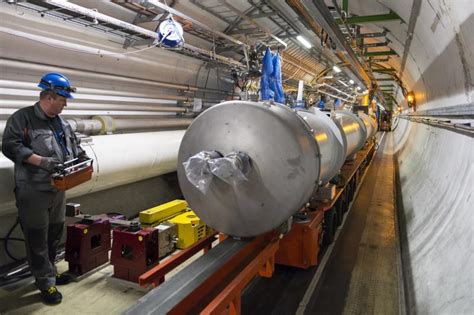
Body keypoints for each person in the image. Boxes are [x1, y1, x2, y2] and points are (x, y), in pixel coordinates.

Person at [1, 73, 85, 305]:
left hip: (58, 188)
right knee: (37, 237)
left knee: (54, 233)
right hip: (33, 190)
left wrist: (80, 155)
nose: (65, 104)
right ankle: (45, 283)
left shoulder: (62, 122)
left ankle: (49, 271)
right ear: (49, 97)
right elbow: (9, 146)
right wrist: (40, 161)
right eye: (63, 99)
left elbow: (73, 145)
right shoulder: (22, 118)